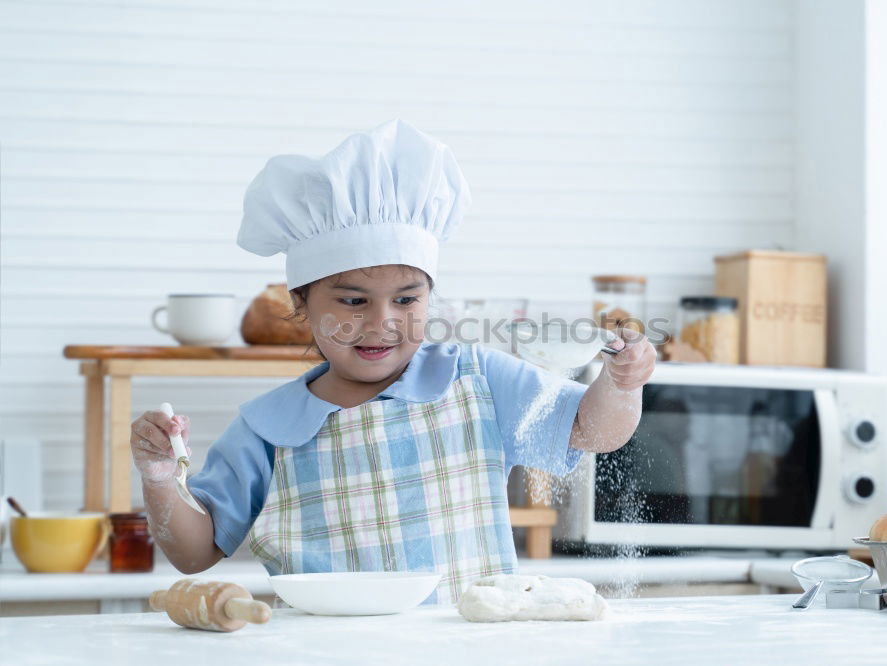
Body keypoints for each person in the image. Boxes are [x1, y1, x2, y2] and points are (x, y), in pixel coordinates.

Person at [129, 119, 656, 604]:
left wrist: (622, 383)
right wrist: (159, 478)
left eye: (406, 300)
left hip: (470, 650)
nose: (382, 322)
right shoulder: (267, 429)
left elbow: (593, 430)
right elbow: (194, 553)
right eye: (353, 301)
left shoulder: (474, 378)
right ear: (302, 306)